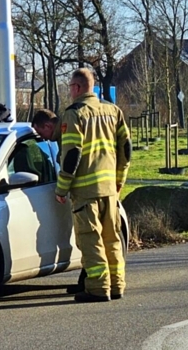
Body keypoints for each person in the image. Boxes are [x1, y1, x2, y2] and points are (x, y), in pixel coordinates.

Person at [54, 68, 131, 303]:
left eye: (70, 87)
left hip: (86, 194)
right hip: (109, 190)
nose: (70, 91)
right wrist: (119, 181)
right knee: (112, 239)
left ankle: (98, 288)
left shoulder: (74, 114)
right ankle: (117, 285)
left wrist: (61, 188)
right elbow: (126, 150)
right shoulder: (113, 110)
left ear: (77, 88)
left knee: (91, 240)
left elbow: (71, 155)